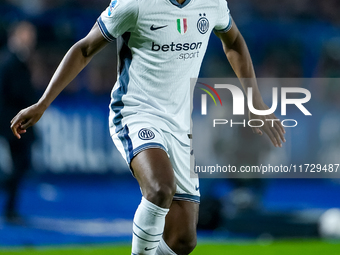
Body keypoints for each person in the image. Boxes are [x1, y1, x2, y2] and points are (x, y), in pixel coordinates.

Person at [10, 0, 285, 254]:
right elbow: (84, 49)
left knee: (184, 239)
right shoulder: (135, 3)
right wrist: (43, 103)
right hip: (135, 112)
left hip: (179, 125)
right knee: (160, 189)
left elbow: (233, 40)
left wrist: (254, 100)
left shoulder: (211, 3)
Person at [0, 21, 37, 224]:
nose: (31, 38)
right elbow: (14, 93)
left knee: (21, 165)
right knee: (19, 164)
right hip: (13, 123)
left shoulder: (16, 60)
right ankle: (10, 209)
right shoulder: (11, 61)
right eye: (26, 34)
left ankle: (11, 208)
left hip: (17, 123)